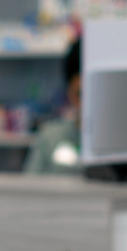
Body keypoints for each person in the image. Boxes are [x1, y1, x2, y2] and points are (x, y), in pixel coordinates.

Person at [25, 39, 83, 175]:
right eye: (81, 95)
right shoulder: (51, 137)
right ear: (69, 92)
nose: (86, 105)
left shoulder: (123, 144)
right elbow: (28, 190)